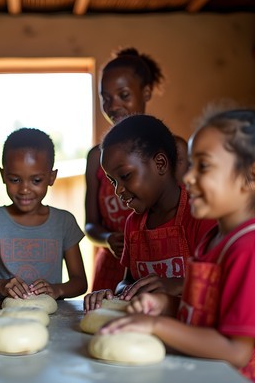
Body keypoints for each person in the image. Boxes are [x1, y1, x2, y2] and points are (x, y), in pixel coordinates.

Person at [100, 101, 255, 382]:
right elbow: (203, 314)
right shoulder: (215, 241)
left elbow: (237, 351)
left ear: (251, 176)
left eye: (203, 166)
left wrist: (156, 325)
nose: (189, 177)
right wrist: (164, 304)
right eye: (191, 165)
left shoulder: (249, 248)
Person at [83, 114, 215, 312]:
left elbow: (221, 282)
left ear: (160, 164)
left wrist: (177, 284)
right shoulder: (133, 225)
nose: (118, 190)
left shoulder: (200, 216)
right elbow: (127, 280)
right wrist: (117, 294)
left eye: (125, 176)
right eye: (113, 181)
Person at [86, 47, 187, 293]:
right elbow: (90, 224)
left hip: (169, 268)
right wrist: (107, 239)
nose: (113, 106)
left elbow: (183, 208)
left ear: (146, 92)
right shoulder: (98, 158)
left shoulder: (175, 149)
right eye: (105, 98)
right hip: (117, 267)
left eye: (123, 95)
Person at [0, 128, 88, 300]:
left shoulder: (64, 222)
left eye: (36, 180)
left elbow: (80, 282)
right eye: (15, 180)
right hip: (4, 318)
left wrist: (57, 290)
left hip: (51, 319)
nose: (24, 189)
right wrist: (0, 285)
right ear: (3, 175)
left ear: (51, 177)